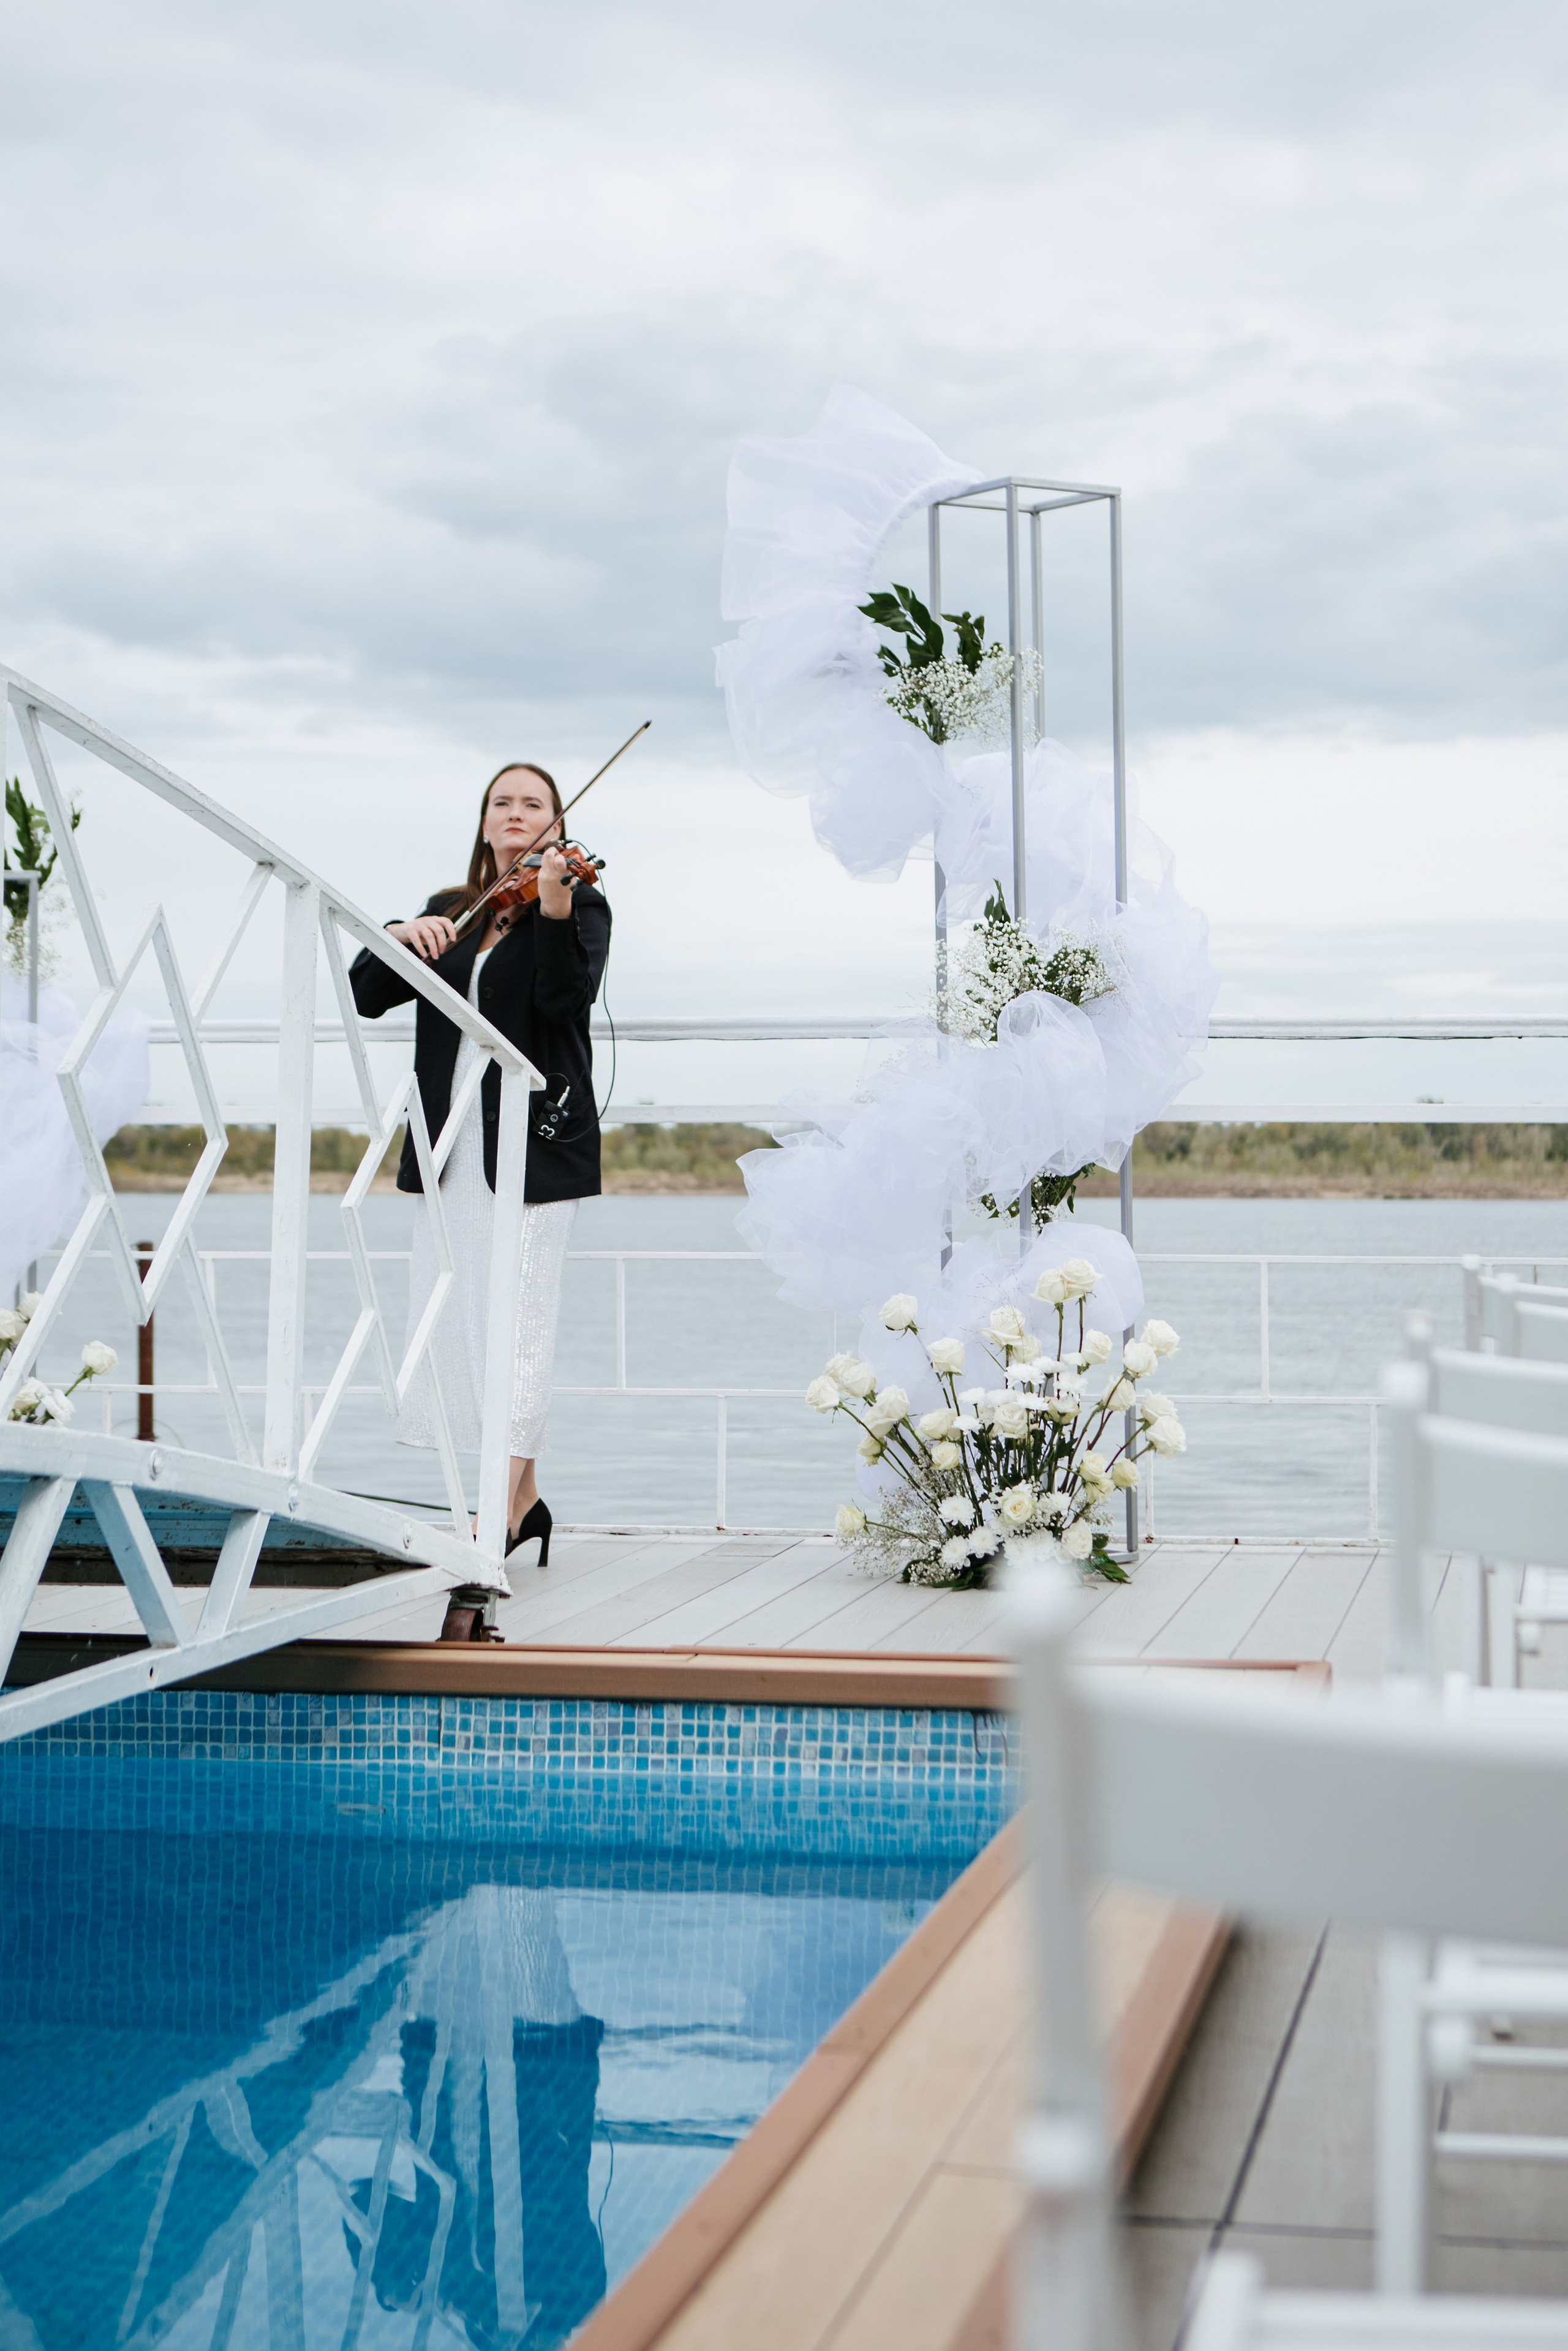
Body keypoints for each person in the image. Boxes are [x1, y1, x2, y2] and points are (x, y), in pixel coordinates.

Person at [350, 762, 609, 1619]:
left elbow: (562, 1002)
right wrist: (403, 930)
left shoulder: (581, 902)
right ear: (486, 820)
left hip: (533, 1145)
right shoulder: (454, 904)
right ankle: (524, 1496)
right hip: (451, 1142)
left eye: (533, 803)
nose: (516, 813)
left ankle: (490, 1518)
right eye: (503, 801)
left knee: (520, 1319)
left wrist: (559, 904)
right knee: (463, 1321)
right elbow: (368, 991)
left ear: (554, 821)